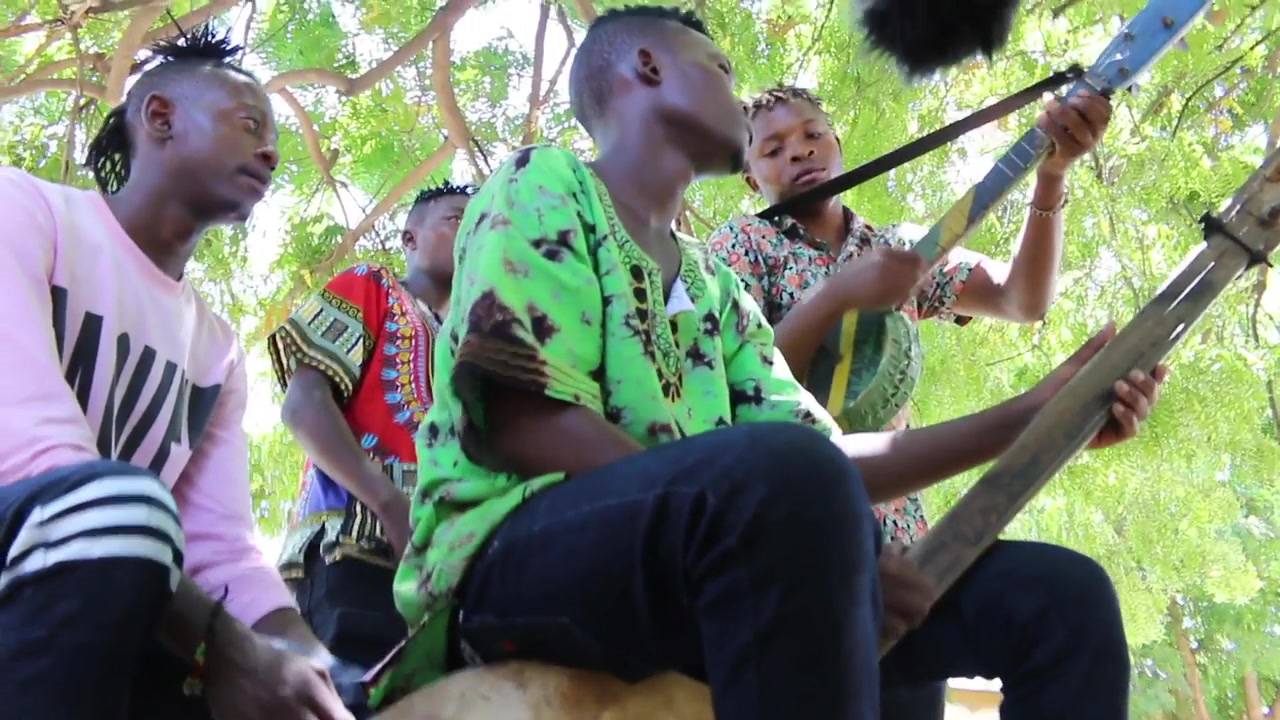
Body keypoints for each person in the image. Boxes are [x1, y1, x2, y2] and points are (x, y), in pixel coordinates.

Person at [367, 7, 1166, 720]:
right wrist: (793, 531)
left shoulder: (715, 288)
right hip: (513, 566)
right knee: (787, 479)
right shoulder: (543, 183)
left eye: (810, 133)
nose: (744, 101)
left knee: (1061, 599)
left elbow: (823, 461)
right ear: (649, 66)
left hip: (727, 562)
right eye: (721, 70)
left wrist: (1035, 414)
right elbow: (520, 419)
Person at [707, 84, 1112, 717]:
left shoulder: (898, 251)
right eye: (773, 148)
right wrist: (836, 296)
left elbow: (1020, 299)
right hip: (795, 565)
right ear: (750, 177)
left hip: (906, 561)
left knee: (1067, 598)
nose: (799, 152)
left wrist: (1051, 174)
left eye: (812, 134)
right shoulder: (739, 247)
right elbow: (742, 390)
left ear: (838, 141)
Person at [0, 28, 352, 720]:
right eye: (250, 124)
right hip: (39, 547)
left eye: (274, 138)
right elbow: (25, 451)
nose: (272, 152)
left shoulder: (216, 349)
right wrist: (226, 646)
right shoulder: (23, 210)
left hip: (106, 580)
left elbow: (221, 553)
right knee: (122, 511)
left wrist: (317, 666)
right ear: (160, 117)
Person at [268, 182, 474, 668]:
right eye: (456, 219)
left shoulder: (470, 344)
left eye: (483, 223)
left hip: (445, 571)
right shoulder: (373, 285)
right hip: (355, 546)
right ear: (410, 239)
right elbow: (303, 404)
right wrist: (390, 504)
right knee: (360, 694)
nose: (473, 232)